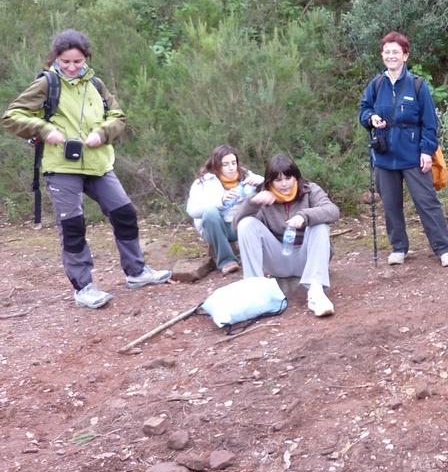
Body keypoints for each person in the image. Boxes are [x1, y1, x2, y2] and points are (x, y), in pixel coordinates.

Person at [2, 29, 172, 309]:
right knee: (73, 226)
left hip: (99, 164)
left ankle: (137, 272)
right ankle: (84, 288)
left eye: (77, 61)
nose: (71, 67)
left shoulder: (96, 84)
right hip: (61, 167)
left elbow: (117, 116)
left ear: (86, 58)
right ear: (56, 58)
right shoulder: (47, 83)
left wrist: (102, 133)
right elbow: (12, 116)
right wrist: (44, 129)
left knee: (125, 214)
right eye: (65, 61)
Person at [359, 32, 448, 268]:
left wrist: (426, 151)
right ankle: (398, 248)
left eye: (396, 52)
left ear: (405, 55)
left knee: (427, 202)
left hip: (414, 156)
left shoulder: (417, 85)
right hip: (384, 157)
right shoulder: (376, 85)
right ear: (382, 55)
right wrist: (370, 118)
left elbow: (430, 123)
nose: (391, 56)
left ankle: (444, 248)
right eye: (387, 52)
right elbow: (364, 110)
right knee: (391, 206)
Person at [232, 153, 339, 317]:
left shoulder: (310, 190)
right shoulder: (263, 196)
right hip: (278, 259)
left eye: (288, 178)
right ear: (270, 181)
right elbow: (236, 227)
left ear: (296, 176)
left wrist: (305, 216)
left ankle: (316, 293)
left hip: (307, 259)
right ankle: (255, 290)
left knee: (320, 225)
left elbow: (333, 211)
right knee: (247, 224)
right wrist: (252, 203)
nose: (284, 184)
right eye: (278, 180)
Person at [185, 145, 264, 273]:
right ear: (216, 166)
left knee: (262, 202)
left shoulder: (246, 175)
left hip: (242, 225)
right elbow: (192, 210)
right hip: (215, 227)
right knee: (210, 212)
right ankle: (227, 261)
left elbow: (272, 189)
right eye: (225, 164)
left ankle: (267, 254)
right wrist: (221, 201)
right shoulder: (204, 182)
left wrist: (262, 183)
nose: (231, 168)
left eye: (233, 163)